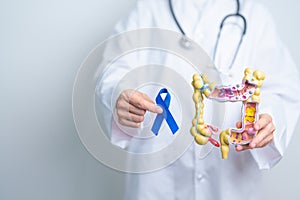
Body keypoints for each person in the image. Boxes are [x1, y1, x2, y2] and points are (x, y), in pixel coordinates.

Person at [97, 0, 300, 199]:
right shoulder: (146, 11)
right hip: (157, 182)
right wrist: (119, 96)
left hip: (231, 182)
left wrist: (270, 118)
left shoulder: (255, 16)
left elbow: (282, 87)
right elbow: (114, 70)